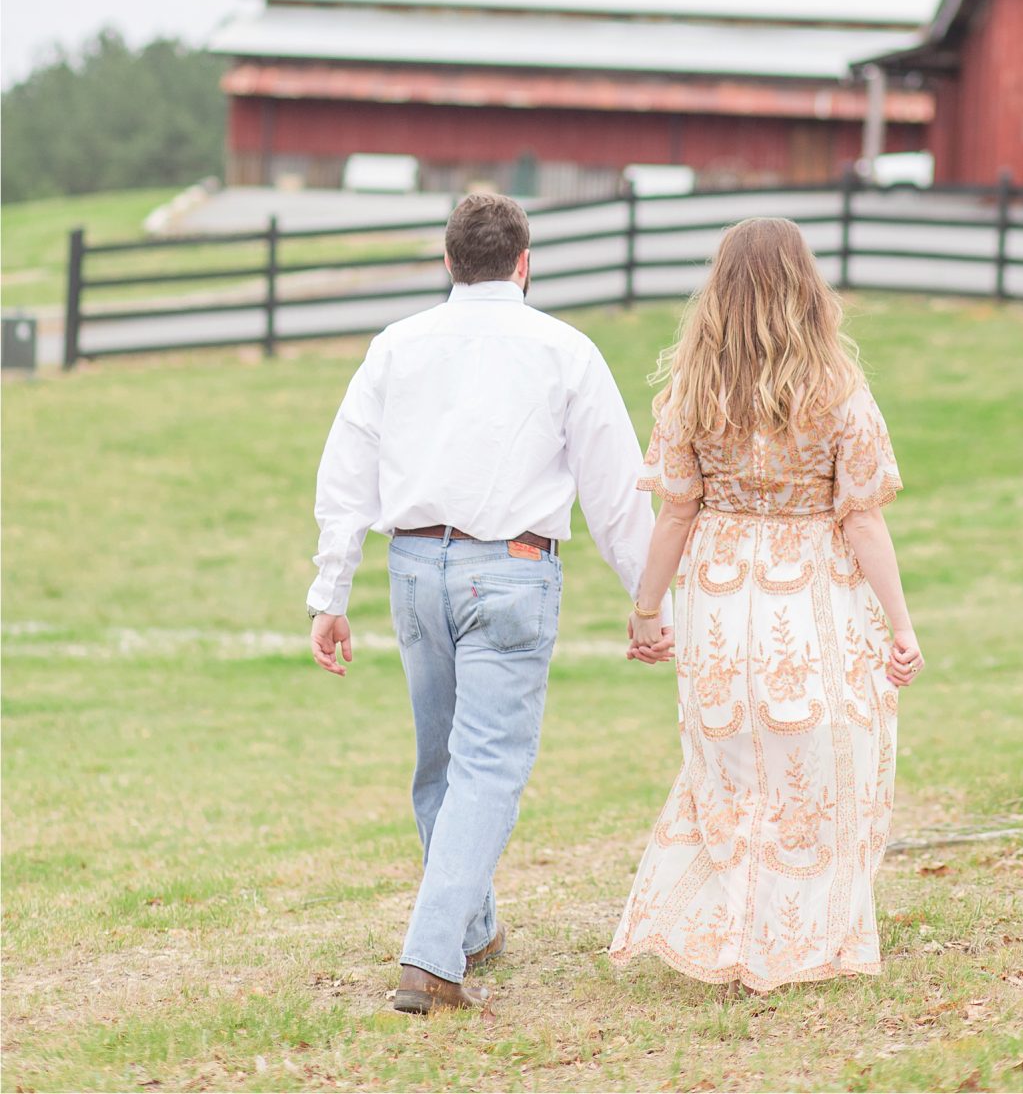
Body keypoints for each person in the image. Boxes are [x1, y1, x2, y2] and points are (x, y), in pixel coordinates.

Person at [306, 190, 671, 1015]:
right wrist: (652, 600)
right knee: (487, 768)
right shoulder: (564, 349)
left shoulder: (396, 347)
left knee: (441, 764)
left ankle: (472, 929)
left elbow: (345, 474)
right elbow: (616, 493)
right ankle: (434, 959)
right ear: (524, 263)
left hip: (412, 569)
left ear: (448, 262)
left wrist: (329, 591)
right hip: (509, 569)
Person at [610, 216, 924, 993]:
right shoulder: (839, 393)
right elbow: (863, 516)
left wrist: (649, 609)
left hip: (721, 597)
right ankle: (799, 932)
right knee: (821, 762)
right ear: (805, 291)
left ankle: (739, 929)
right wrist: (904, 625)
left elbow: (676, 513)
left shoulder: (691, 394)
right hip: (807, 597)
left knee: (731, 768)